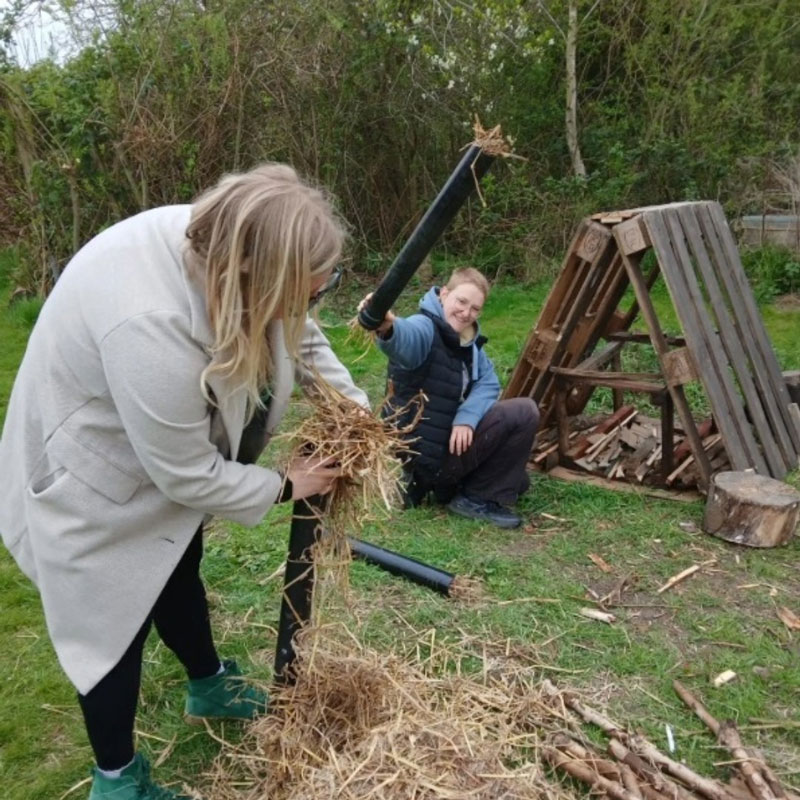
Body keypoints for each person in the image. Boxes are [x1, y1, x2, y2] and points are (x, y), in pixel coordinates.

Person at [0, 164, 370, 800]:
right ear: (261, 275)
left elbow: (298, 331)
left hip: (149, 441)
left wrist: (353, 410)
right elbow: (185, 473)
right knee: (110, 624)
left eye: (323, 288)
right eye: (307, 290)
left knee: (175, 562)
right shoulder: (148, 319)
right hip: (92, 468)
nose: (313, 303)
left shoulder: (234, 251)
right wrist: (287, 484)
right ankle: (117, 781)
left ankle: (208, 684)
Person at [360, 267, 539, 529]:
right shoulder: (425, 328)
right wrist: (387, 326)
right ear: (444, 294)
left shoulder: (468, 345)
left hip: (444, 448)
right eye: (461, 301)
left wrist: (466, 418)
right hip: (423, 458)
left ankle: (456, 489)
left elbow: (488, 382)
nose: (466, 313)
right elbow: (405, 339)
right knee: (524, 411)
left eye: (475, 308)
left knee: (519, 481)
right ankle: (474, 499)